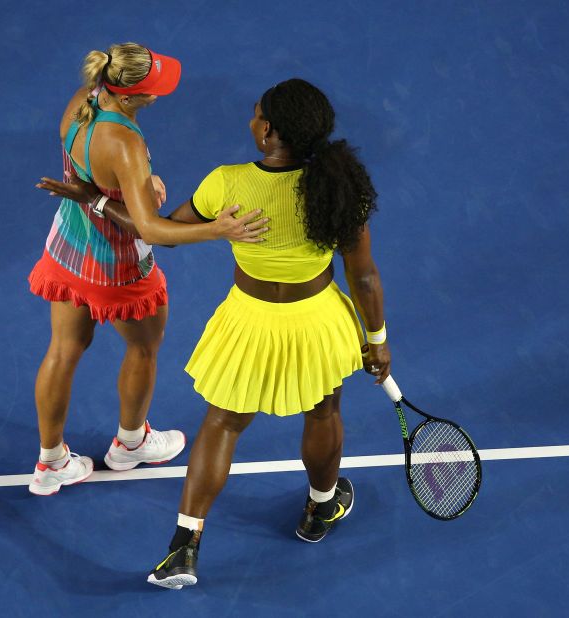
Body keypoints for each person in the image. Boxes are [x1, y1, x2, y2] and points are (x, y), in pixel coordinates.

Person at [143, 78, 391, 589]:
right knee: (323, 410)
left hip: (249, 320)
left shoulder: (227, 182)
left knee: (222, 424)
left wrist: (99, 203)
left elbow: (163, 233)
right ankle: (320, 510)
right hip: (317, 321)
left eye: (256, 115)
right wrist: (377, 338)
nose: (250, 122)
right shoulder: (339, 190)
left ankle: (183, 548)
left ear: (270, 131)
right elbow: (363, 276)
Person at [26, 42, 268, 496]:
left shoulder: (82, 100)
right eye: (153, 90)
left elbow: (91, 178)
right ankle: (130, 444)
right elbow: (152, 230)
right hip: (117, 264)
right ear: (133, 97)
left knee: (63, 349)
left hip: (68, 248)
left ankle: (51, 462)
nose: (159, 95)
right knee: (143, 349)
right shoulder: (126, 142)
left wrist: (122, 188)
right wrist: (218, 230)